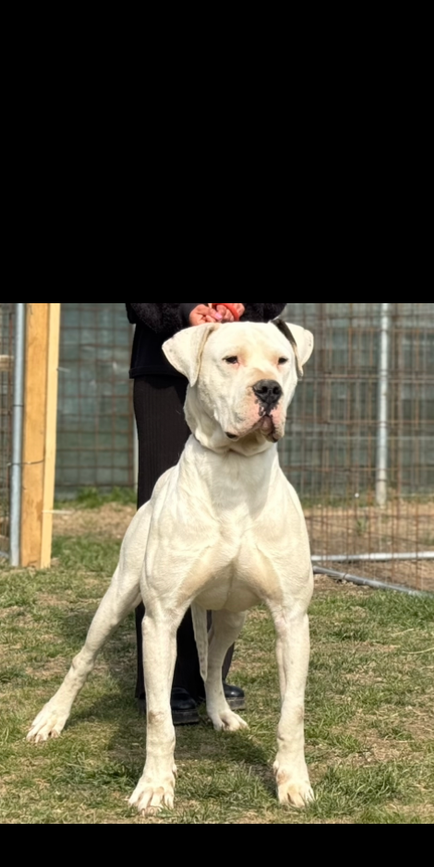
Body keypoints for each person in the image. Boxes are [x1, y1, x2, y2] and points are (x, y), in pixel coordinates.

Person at [125, 302, 289, 723]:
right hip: (165, 366)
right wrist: (185, 310)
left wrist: (243, 306)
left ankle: (211, 678)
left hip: (239, 359)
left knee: (236, 526)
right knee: (167, 531)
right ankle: (168, 682)